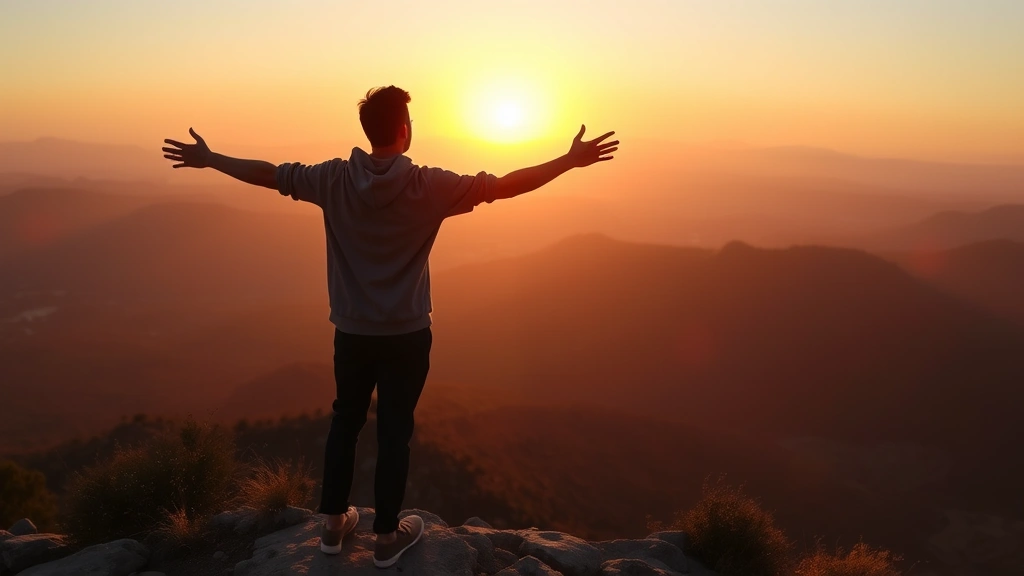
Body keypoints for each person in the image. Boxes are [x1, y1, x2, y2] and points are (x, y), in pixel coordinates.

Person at [162, 85, 617, 567]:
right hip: (407, 334)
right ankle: (385, 539)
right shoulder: (428, 184)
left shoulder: (332, 178)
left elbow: (269, 174)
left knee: (345, 422)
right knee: (394, 432)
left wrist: (212, 159)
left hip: (352, 332)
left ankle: (333, 527)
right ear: (403, 131)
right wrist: (567, 161)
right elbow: (504, 185)